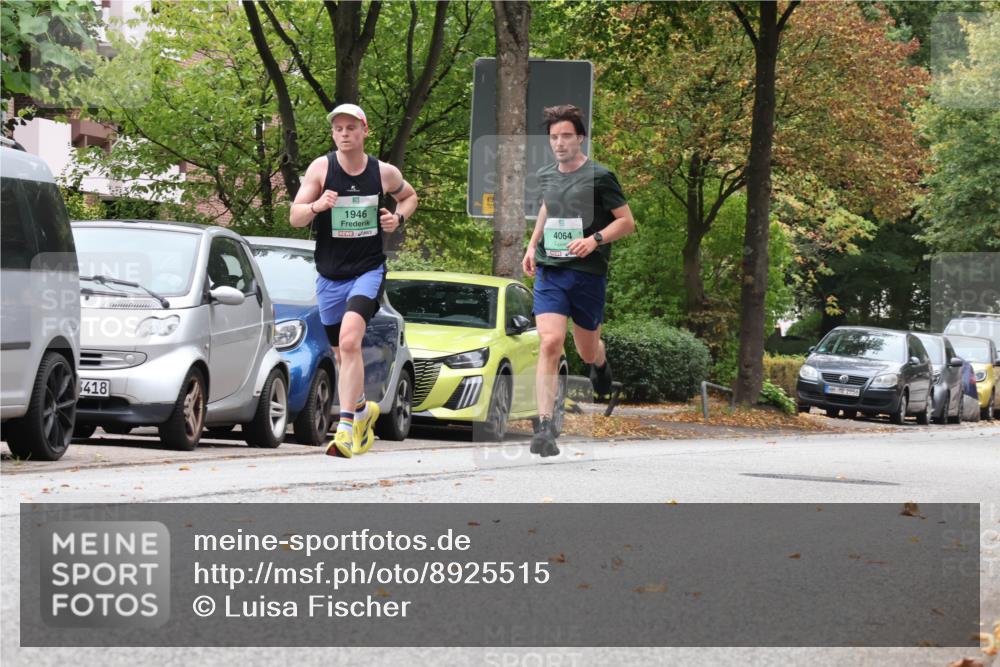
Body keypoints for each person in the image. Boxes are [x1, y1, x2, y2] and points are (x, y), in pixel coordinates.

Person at [290, 103, 418, 458]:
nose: (344, 134)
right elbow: (295, 217)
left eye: (351, 128)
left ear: (364, 131)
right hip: (330, 275)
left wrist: (398, 219)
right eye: (338, 129)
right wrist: (317, 206)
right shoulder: (321, 168)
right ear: (333, 134)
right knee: (339, 352)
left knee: (349, 343)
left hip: (368, 270)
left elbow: (409, 197)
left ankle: (347, 428)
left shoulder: (382, 172)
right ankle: (362, 409)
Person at [522, 104, 635, 457]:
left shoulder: (601, 177)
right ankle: (543, 427)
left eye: (566, 136)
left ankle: (599, 363)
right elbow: (547, 206)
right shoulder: (545, 174)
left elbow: (626, 222)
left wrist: (594, 240)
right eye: (554, 137)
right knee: (550, 342)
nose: (559, 143)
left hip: (587, 274)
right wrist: (531, 243)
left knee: (586, 347)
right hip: (551, 269)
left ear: (580, 138)